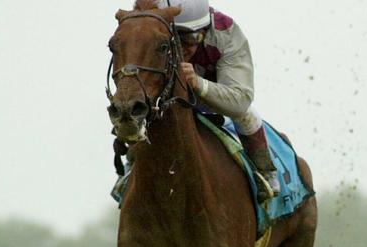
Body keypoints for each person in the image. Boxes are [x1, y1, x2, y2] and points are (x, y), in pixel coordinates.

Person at [116, 0, 280, 203]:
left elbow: (240, 100)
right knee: (141, 111)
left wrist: (198, 83)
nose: (184, 47)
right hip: (168, 99)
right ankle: (130, 169)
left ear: (205, 29)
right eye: (176, 39)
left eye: (191, 38)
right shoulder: (150, 28)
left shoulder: (226, 33)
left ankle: (265, 171)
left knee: (248, 115)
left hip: (212, 97)